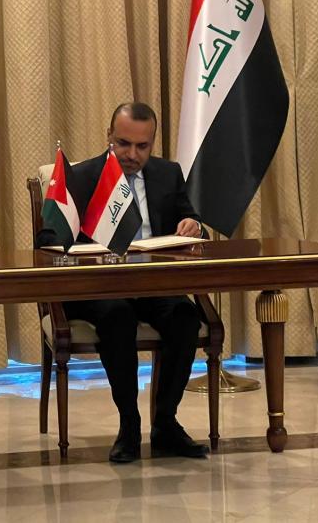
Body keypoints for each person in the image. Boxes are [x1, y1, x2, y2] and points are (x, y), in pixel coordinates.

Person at [37, 102, 209, 463]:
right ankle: (129, 425)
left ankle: (165, 423)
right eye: (123, 144)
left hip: (152, 284)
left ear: (153, 142)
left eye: (142, 146)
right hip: (99, 288)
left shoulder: (168, 174)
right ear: (109, 137)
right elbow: (48, 239)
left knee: (185, 318)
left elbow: (193, 223)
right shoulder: (81, 177)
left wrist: (194, 226)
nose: (132, 154)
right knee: (118, 317)